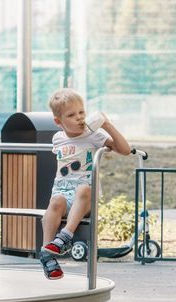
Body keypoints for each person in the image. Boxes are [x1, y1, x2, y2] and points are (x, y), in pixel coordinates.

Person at [40, 88, 131, 280]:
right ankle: (47, 252)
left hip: (85, 198)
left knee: (83, 189)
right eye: (71, 115)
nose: (79, 118)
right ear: (59, 121)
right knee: (55, 201)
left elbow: (125, 150)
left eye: (82, 112)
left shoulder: (94, 135)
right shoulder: (57, 138)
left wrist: (107, 125)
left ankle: (65, 236)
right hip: (63, 192)